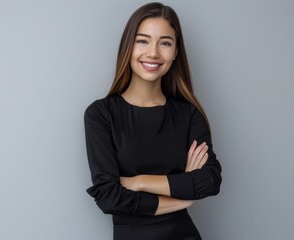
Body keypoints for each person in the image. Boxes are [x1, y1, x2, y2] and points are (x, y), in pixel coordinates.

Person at [84, 2, 222, 239]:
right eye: (143, 40)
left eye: (165, 43)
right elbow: (109, 197)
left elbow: (209, 180)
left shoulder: (188, 114)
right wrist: (183, 195)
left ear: (176, 52)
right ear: (129, 46)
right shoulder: (101, 114)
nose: (154, 53)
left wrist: (138, 182)